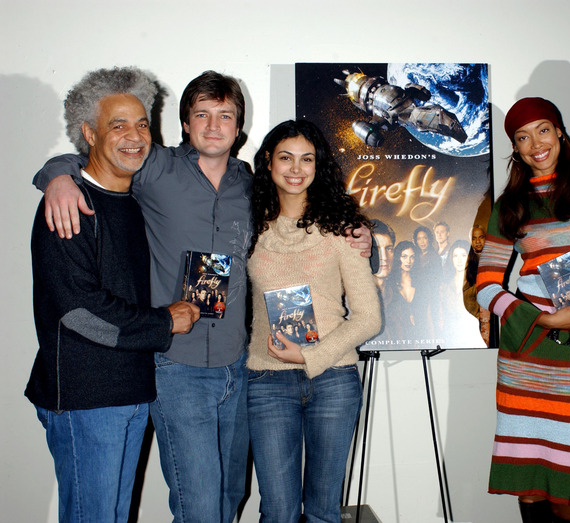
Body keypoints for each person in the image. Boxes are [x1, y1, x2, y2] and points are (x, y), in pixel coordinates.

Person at [34, 70, 373, 522]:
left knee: (230, 497)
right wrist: (57, 175)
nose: (214, 126)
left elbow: (302, 213)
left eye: (225, 115)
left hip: (238, 365)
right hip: (178, 364)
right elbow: (102, 156)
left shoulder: (249, 183)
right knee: (200, 508)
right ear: (185, 124)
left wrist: (360, 233)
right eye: (202, 115)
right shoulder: (154, 167)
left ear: (239, 128)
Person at [25, 67, 200, 522]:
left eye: (141, 123)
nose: (134, 136)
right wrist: (165, 322)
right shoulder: (69, 205)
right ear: (88, 133)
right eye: (117, 125)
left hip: (133, 388)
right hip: (87, 398)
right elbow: (79, 313)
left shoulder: (137, 200)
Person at [245, 119, 381, 522]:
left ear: (319, 166)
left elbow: (369, 317)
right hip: (265, 381)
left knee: (323, 512)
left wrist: (310, 356)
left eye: (307, 159)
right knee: (278, 513)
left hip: (333, 381)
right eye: (285, 157)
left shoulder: (343, 228)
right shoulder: (247, 226)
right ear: (268, 162)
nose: (295, 168)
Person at [476, 97, 570, 521]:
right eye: (522, 137)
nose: (535, 144)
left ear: (560, 131)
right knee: (529, 489)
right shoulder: (510, 204)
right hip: (528, 358)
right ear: (515, 147)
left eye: (542, 130)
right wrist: (543, 318)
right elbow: (486, 285)